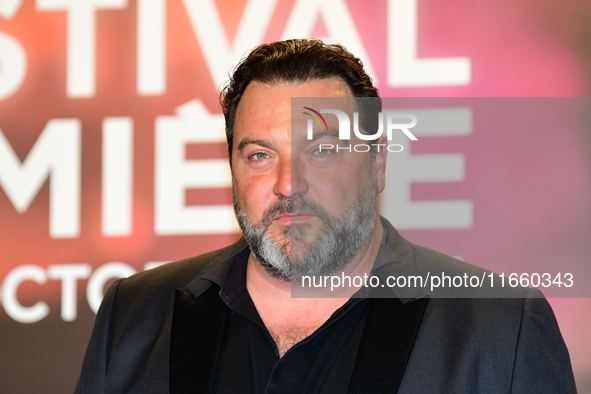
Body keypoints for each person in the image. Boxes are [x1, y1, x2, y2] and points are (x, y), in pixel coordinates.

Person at [76, 39, 576, 393]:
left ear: (377, 162)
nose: (288, 183)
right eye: (259, 155)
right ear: (231, 166)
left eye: (323, 149)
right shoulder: (137, 313)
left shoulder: (499, 326)